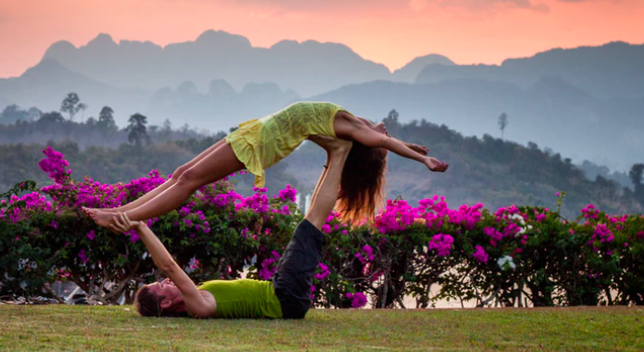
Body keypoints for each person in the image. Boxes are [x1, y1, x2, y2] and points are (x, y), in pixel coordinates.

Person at [86, 101, 447, 232]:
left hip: (262, 143)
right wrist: (412, 147)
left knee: (190, 181)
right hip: (258, 131)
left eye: (385, 139)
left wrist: (423, 159)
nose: (386, 131)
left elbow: (384, 142)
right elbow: (387, 140)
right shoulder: (359, 124)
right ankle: (119, 210)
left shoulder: (361, 133)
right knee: (182, 172)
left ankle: (126, 219)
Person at [124, 135, 359, 319]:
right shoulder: (197, 306)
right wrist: (141, 226)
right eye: (161, 285)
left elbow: (169, 269)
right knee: (311, 225)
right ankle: (340, 152)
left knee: (308, 224)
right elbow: (169, 265)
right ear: (165, 303)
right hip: (284, 298)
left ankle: (334, 155)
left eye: (161, 280)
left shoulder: (198, 298)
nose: (165, 280)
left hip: (281, 292)